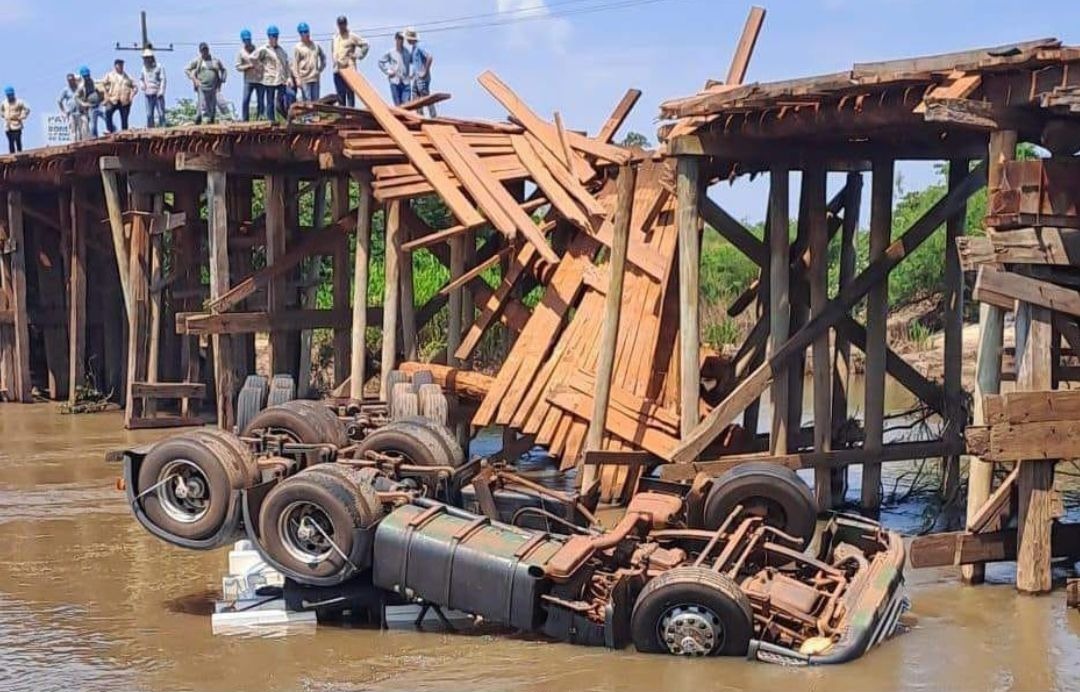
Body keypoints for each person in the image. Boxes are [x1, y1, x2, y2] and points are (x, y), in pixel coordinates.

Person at [330, 15, 368, 107]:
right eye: (340, 24)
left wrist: (358, 55)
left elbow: (365, 45)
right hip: (337, 69)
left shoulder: (352, 36)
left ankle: (351, 115)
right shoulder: (335, 37)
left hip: (349, 69)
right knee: (340, 94)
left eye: (343, 24)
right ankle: (343, 117)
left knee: (350, 93)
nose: (341, 26)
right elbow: (332, 49)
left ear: (346, 24)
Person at [185, 42, 227, 125]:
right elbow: (187, 69)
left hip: (214, 86)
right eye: (203, 50)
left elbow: (224, 70)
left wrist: (222, 79)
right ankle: (204, 121)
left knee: (214, 104)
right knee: (203, 104)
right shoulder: (198, 61)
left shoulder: (215, 60)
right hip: (202, 86)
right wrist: (194, 79)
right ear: (200, 51)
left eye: (206, 49)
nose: (205, 52)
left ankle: (211, 120)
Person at [259, 25, 292, 121]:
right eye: (272, 36)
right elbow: (255, 60)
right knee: (270, 102)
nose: (274, 38)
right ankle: (271, 121)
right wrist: (260, 71)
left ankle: (287, 118)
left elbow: (286, 65)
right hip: (269, 80)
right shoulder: (263, 49)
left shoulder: (281, 50)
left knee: (281, 100)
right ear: (269, 37)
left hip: (281, 80)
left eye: (276, 36)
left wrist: (289, 77)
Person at [404, 28, 435, 116]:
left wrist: (425, 71)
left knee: (425, 96)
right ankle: (420, 115)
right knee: (415, 96)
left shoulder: (419, 46)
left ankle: (433, 116)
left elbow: (429, 57)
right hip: (417, 77)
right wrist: (412, 75)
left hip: (422, 77)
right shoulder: (414, 49)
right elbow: (416, 64)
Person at [235, 29, 265, 121]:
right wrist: (248, 66)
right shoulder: (241, 53)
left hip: (260, 79)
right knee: (245, 100)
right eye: (245, 40)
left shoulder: (258, 50)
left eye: (249, 39)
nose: (247, 41)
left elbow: (264, 62)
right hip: (248, 80)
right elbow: (238, 67)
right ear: (243, 40)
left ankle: (260, 117)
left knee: (260, 100)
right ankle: (245, 119)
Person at [292, 22, 325, 102]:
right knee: (307, 101)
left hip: (315, 78)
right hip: (304, 78)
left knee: (316, 102)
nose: (305, 34)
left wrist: (319, 69)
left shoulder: (316, 45)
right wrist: (297, 79)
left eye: (306, 32)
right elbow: (295, 65)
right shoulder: (298, 47)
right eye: (302, 32)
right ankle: (308, 115)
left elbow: (323, 58)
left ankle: (315, 115)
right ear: (300, 34)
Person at [102, 58, 137, 132]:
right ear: (115, 66)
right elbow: (103, 85)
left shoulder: (127, 77)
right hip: (113, 98)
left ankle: (124, 132)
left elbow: (135, 87)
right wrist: (106, 95)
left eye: (122, 65)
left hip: (124, 100)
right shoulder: (110, 75)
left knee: (124, 118)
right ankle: (109, 129)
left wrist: (132, 96)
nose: (120, 66)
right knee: (108, 112)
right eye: (119, 65)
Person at [378, 31, 411, 107]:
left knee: (407, 104)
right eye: (399, 38)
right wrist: (388, 71)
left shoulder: (407, 52)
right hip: (395, 81)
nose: (401, 40)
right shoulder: (391, 52)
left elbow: (413, 62)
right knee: (398, 105)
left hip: (405, 82)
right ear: (396, 39)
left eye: (402, 39)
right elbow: (380, 62)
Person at [74, 66, 107, 138]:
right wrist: (83, 104)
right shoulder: (81, 85)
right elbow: (76, 96)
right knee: (93, 123)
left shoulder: (93, 81)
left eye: (88, 75)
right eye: (85, 76)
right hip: (91, 106)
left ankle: (112, 130)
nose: (87, 77)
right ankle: (94, 136)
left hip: (98, 104)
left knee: (106, 117)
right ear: (83, 76)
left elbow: (100, 84)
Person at [140, 49, 167, 128]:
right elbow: (141, 79)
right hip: (148, 94)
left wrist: (161, 91)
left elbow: (163, 79)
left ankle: (163, 130)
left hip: (157, 94)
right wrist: (142, 85)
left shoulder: (159, 67)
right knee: (149, 115)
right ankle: (150, 131)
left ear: (151, 57)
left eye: (147, 57)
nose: (146, 59)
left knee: (161, 114)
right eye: (145, 58)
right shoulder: (143, 69)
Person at [58, 73, 86, 141]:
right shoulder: (66, 90)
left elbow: (84, 97)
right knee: (73, 131)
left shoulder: (79, 88)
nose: (71, 82)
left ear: (74, 80)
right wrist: (63, 111)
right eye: (69, 80)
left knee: (82, 130)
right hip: (71, 113)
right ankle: (74, 145)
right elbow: (59, 101)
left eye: (72, 80)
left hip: (80, 112)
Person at [1, 87, 29, 153]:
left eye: (10, 95)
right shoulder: (4, 103)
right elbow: (1, 111)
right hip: (8, 126)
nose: (9, 96)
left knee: (18, 140)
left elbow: (27, 109)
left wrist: (21, 116)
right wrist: (4, 115)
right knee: (10, 141)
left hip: (17, 125)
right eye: (8, 95)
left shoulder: (19, 102)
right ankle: (12, 155)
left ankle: (20, 153)